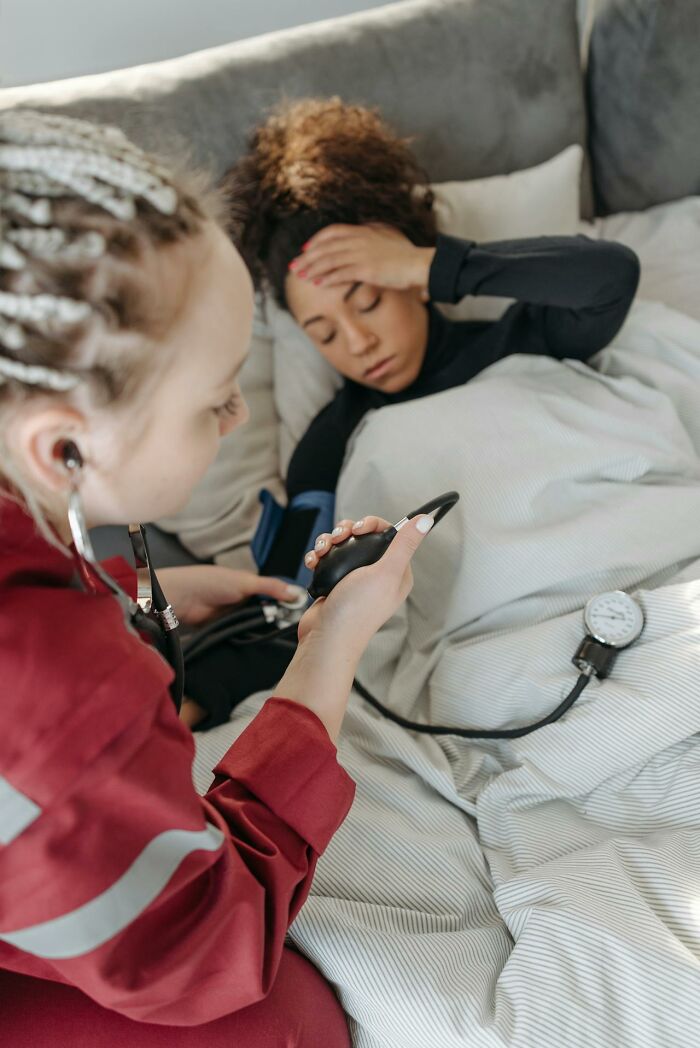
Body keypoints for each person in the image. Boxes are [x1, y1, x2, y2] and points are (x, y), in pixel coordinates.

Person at [0, 109, 436, 1047]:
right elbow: (206, 950)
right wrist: (329, 657)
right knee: (290, 1021)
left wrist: (121, 608)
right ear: (61, 445)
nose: (241, 417)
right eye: (216, 400)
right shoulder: (48, 696)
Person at [180, 97, 640, 729]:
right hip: (509, 653)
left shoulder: (527, 336)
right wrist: (190, 704)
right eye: (324, 331)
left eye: (366, 299)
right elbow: (289, 605)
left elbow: (610, 275)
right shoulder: (330, 442)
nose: (357, 343)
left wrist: (429, 264)